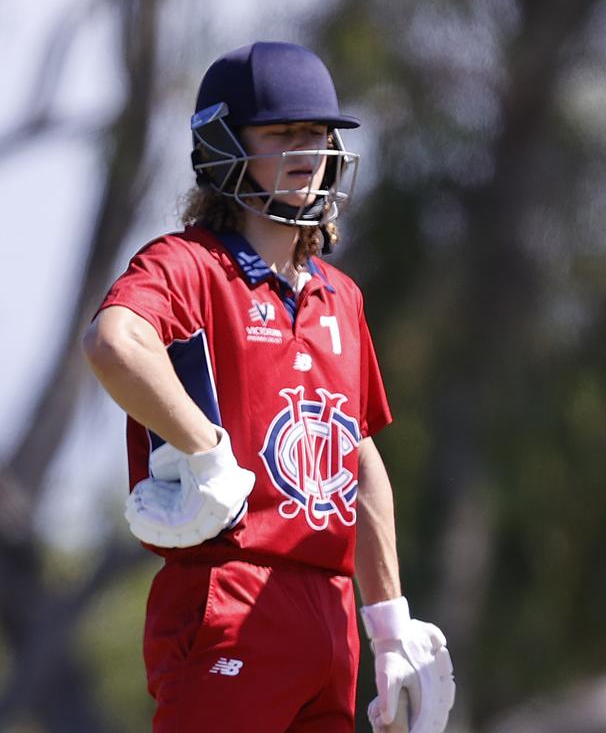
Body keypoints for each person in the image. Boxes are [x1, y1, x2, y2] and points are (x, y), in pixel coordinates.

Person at [83, 41, 455, 733]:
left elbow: (359, 456)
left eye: (317, 133)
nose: (307, 150)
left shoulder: (340, 295)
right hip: (228, 590)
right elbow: (114, 342)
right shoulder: (187, 264)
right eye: (282, 133)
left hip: (330, 617)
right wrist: (207, 452)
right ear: (223, 144)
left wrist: (389, 619)